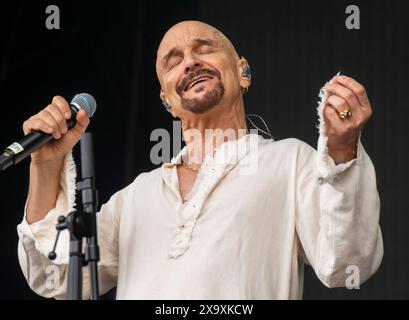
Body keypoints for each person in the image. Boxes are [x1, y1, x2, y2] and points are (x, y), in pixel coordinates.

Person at [17, 21, 383, 299]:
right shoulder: (137, 197)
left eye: (204, 49)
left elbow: (347, 264)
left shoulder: (289, 162)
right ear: (167, 103)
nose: (190, 62)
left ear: (243, 72)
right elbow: (55, 276)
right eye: (173, 61)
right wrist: (46, 165)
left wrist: (342, 150)